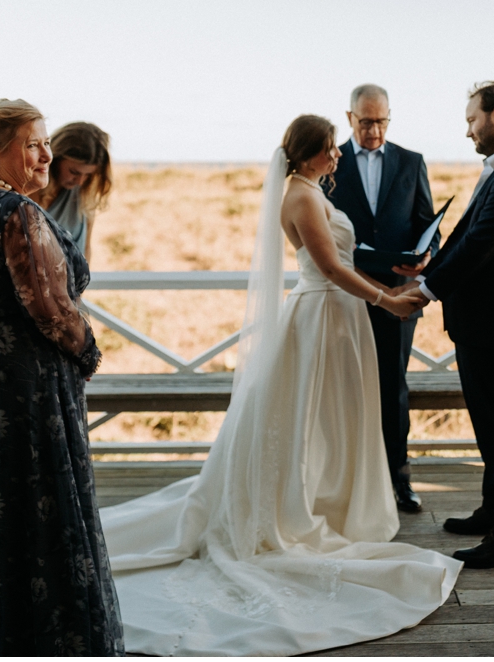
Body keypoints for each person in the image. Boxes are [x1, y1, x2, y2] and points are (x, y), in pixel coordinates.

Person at [97, 115, 461, 656]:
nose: (338, 156)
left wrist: (397, 274)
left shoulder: (312, 189)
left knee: (332, 420)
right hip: (321, 315)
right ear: (309, 154)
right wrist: (388, 300)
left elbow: (348, 260)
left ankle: (332, 499)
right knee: (310, 418)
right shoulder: (301, 197)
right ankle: (300, 506)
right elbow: (331, 268)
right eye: (329, 152)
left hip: (341, 317)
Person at [0, 99, 124, 655]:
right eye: (31, 144)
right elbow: (51, 310)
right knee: (35, 508)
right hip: (17, 384)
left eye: (44, 142)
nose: (45, 154)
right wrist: (88, 353)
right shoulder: (15, 212)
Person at [399, 81, 494, 569]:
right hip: (485, 319)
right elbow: (469, 235)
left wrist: (425, 291)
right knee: (490, 424)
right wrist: (427, 268)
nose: (467, 130)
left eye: (472, 119)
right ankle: (493, 511)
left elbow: (481, 245)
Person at [327, 83, 441, 514]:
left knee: (393, 389)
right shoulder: (329, 162)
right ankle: (348, 479)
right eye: (366, 121)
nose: (374, 129)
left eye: (382, 121)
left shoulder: (411, 162)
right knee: (344, 387)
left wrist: (425, 256)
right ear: (350, 117)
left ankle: (398, 481)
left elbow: (427, 222)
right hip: (346, 294)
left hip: (397, 296)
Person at [29, 121, 112, 262]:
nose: (79, 181)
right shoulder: (29, 190)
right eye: (74, 172)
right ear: (54, 159)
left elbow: (85, 250)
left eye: (88, 175)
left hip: (71, 283)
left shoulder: (83, 194)